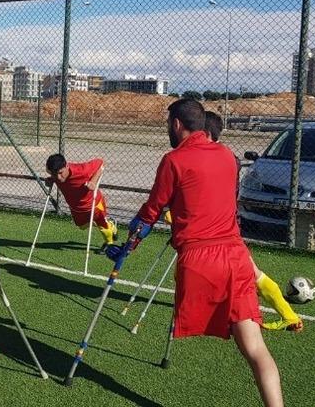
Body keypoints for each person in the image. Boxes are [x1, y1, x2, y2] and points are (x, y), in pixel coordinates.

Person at [119, 99, 283, 406]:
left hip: (201, 261)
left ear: (177, 124)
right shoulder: (227, 156)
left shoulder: (173, 160)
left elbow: (152, 210)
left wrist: (130, 242)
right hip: (237, 257)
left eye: (169, 123)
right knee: (255, 349)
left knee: (247, 344)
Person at [203, 111, 302, 332]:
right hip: (224, 227)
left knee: (248, 273)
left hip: (219, 230)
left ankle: (288, 316)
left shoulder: (219, 158)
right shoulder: (226, 156)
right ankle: (288, 315)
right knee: (249, 272)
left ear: (206, 133)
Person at [45, 154, 117, 247]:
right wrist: (51, 179)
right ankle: (109, 222)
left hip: (94, 204)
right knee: (82, 226)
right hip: (76, 207)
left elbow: (101, 163)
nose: (58, 177)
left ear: (66, 166)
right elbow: (54, 175)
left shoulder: (82, 170)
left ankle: (109, 244)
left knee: (103, 228)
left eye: (61, 173)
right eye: (54, 174)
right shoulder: (53, 172)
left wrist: (93, 181)